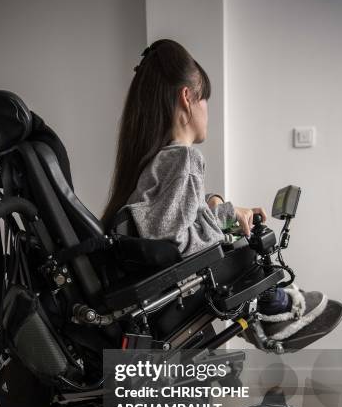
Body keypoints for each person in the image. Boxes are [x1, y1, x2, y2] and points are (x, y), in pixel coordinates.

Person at [101, 39, 324, 322]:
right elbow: (173, 241)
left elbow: (166, 224)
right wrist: (221, 223)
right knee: (249, 248)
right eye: (205, 97)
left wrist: (219, 211)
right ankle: (278, 308)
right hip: (176, 297)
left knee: (239, 241)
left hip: (154, 290)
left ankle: (276, 304)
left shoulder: (154, 160)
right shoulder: (184, 158)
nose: (207, 109)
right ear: (187, 97)